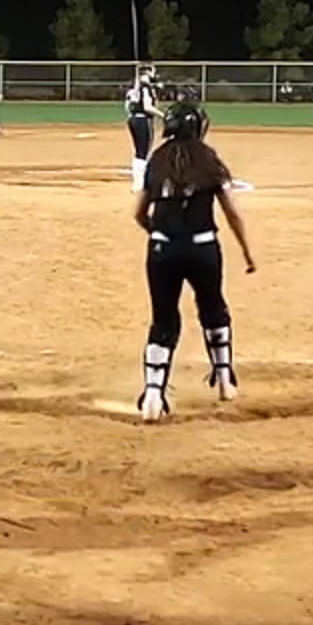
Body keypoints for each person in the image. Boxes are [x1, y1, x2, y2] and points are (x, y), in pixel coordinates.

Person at [133, 103, 256, 423]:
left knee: (163, 320)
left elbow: (139, 213)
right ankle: (225, 380)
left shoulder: (158, 159)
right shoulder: (208, 159)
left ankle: (153, 394)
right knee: (213, 308)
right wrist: (246, 251)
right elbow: (231, 212)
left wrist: (159, 234)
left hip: (162, 250)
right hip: (203, 248)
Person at [124, 63, 164, 191]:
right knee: (143, 151)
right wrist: (163, 115)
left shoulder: (134, 88)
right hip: (143, 120)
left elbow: (128, 106)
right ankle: (139, 183)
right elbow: (147, 107)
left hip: (133, 119)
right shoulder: (145, 87)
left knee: (139, 151)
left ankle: (137, 182)